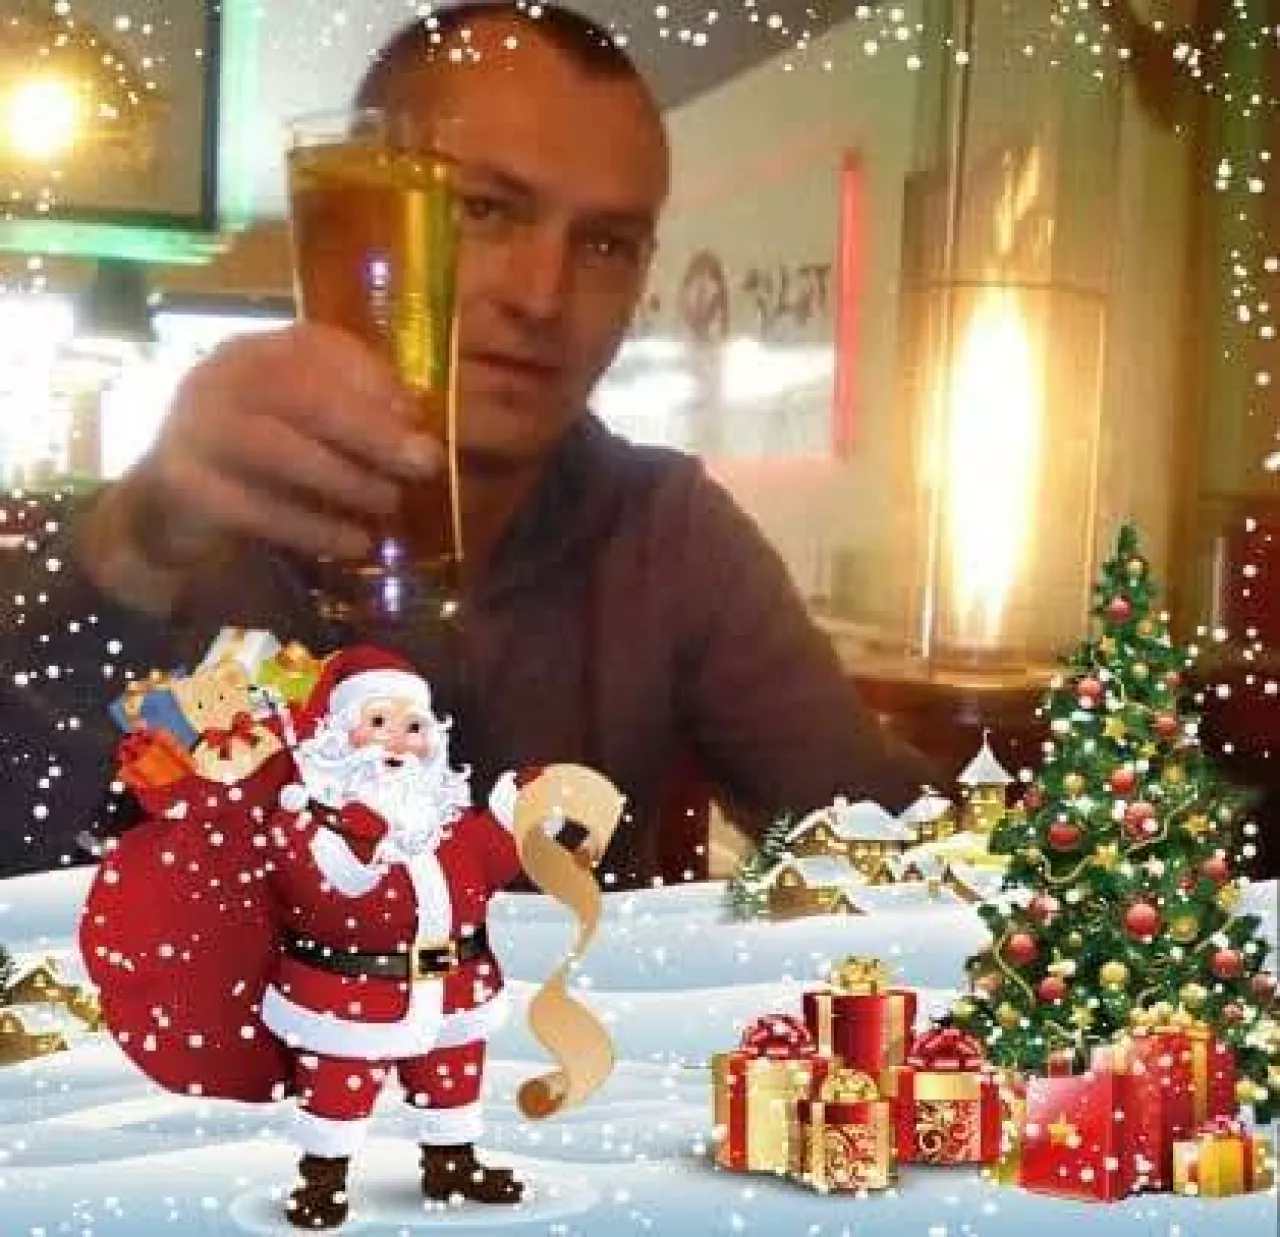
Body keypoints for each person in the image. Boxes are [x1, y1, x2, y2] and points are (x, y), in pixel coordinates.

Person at [0, 1, 934, 889]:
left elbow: (886, 843)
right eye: (485, 210)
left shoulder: (667, 531)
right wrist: (132, 553)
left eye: (606, 244)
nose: (541, 297)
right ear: (354, 209)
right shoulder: (192, 528)